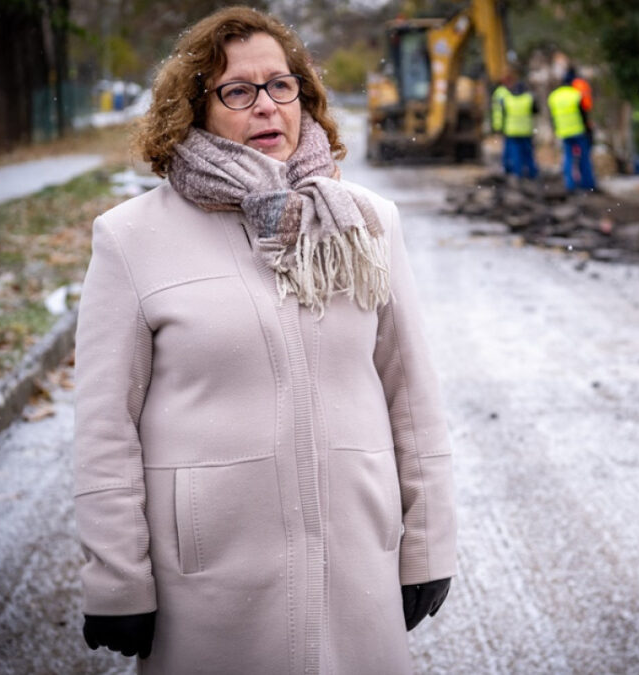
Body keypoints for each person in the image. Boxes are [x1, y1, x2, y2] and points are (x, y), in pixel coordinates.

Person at [73, 7, 457, 674]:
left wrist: (427, 544)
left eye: (282, 86)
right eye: (237, 91)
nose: (266, 107)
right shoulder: (130, 238)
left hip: (357, 564)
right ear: (194, 108)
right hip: (210, 582)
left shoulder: (367, 224)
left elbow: (412, 397)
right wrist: (117, 579)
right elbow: (105, 428)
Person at [548, 70, 597, 192]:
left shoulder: (554, 96)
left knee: (568, 158)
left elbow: (553, 116)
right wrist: (588, 128)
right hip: (578, 131)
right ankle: (588, 184)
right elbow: (583, 114)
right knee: (584, 158)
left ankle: (570, 185)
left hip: (564, 132)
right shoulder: (576, 95)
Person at [502, 78, 538, 179]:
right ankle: (532, 174)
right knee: (528, 154)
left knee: (515, 154)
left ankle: (518, 175)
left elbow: (504, 114)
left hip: (512, 131)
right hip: (525, 131)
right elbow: (535, 111)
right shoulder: (528, 99)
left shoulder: (508, 100)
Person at [565, 65, 594, 151]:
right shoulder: (582, 83)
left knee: (571, 151)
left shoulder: (569, 84)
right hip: (584, 115)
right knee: (584, 148)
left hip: (573, 120)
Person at [490, 73, 513, 174]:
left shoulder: (498, 92)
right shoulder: (504, 93)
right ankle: (506, 167)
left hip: (500, 122)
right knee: (508, 147)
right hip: (504, 122)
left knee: (507, 146)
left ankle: (506, 167)